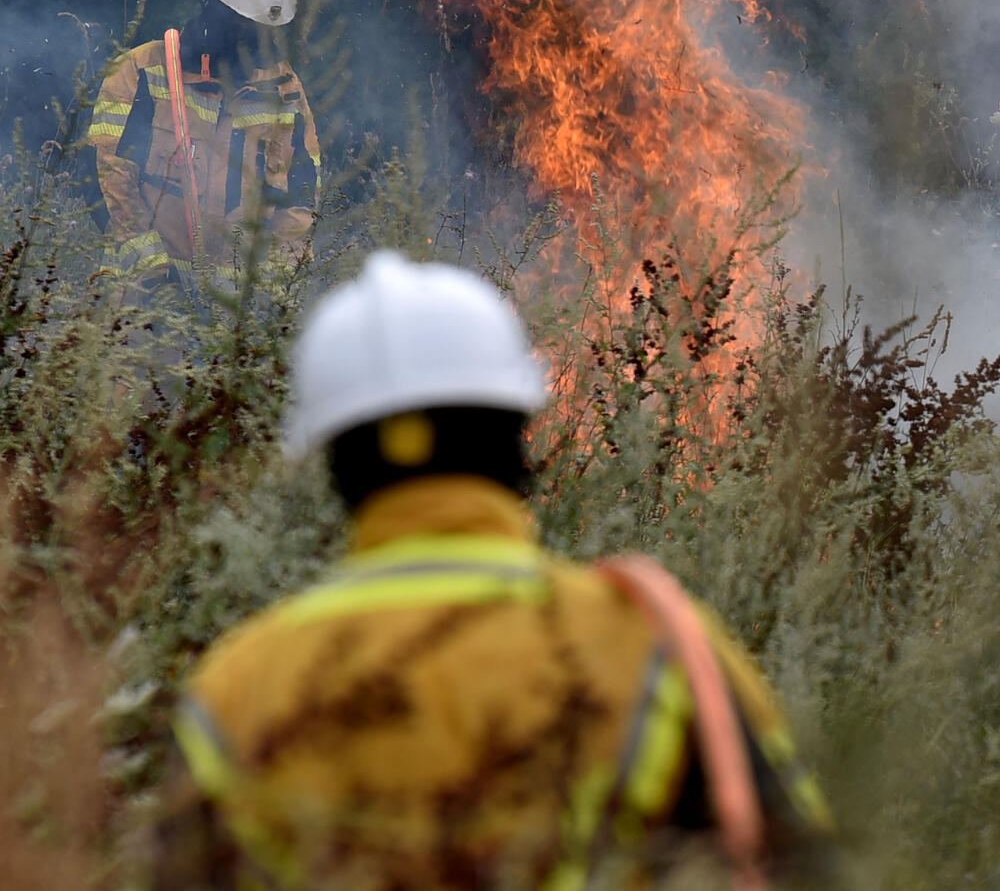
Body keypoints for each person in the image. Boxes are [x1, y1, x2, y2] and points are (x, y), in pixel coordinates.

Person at [153, 253, 837, 891]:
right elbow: (799, 867)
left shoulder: (237, 688)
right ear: (519, 434)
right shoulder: (655, 647)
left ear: (335, 462)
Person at [88, 0, 320, 290]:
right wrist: (154, 280)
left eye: (262, 28)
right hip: (143, 310)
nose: (253, 38)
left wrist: (275, 292)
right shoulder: (142, 69)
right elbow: (104, 175)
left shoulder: (283, 87)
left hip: (240, 317)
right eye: (241, 23)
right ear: (209, 1)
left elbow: (301, 199)